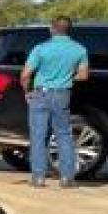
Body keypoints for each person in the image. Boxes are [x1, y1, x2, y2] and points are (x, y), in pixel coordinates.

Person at [21, 16, 89, 188]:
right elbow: (84, 75)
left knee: (38, 135)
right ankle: (66, 178)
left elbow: (25, 75)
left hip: (40, 93)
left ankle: (38, 178)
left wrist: (27, 91)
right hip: (62, 94)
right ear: (68, 30)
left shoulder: (40, 49)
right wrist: (67, 77)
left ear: (52, 29)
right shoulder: (79, 50)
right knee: (64, 135)